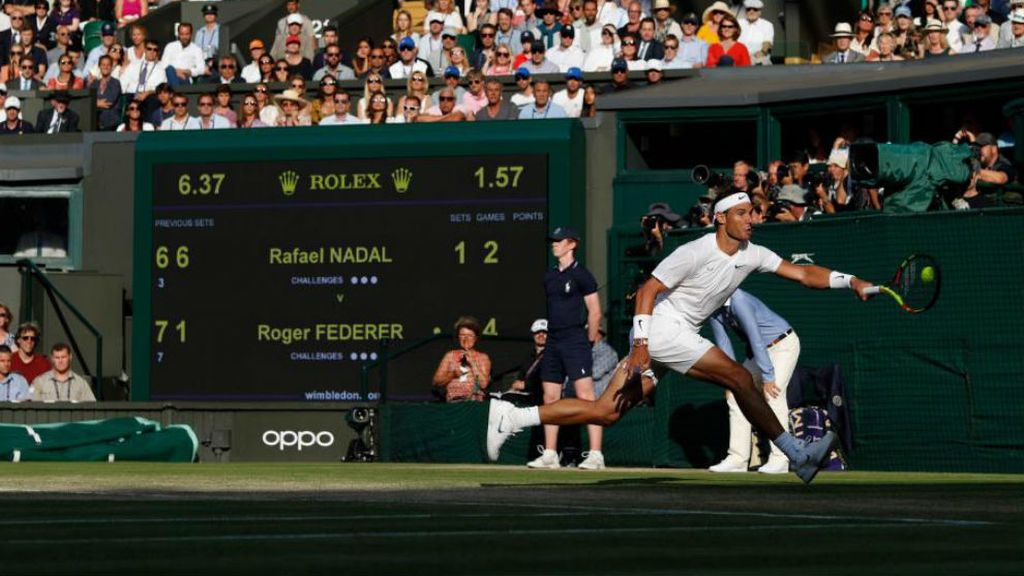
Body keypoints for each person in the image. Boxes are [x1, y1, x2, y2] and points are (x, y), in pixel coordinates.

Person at [488, 192, 874, 484]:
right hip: (661, 331)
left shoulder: (753, 253)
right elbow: (646, 292)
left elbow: (803, 274)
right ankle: (797, 455)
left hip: (673, 337)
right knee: (739, 378)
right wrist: (640, 346)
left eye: (752, 213)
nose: (750, 219)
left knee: (605, 412)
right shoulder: (694, 251)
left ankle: (513, 415)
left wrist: (850, 280)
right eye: (741, 214)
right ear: (721, 218)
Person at [526, 226, 604, 470]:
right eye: (554, 241)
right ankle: (550, 453)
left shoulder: (582, 275)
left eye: (559, 241)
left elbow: (595, 312)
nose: (554, 244)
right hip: (553, 341)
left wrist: (588, 341)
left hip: (575, 340)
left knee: (585, 396)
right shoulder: (549, 276)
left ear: (572, 244)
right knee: (550, 396)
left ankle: (595, 454)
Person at [707, 288, 798, 474]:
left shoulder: (739, 299)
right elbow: (723, 343)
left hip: (782, 345)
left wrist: (768, 376)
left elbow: (755, 338)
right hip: (758, 354)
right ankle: (737, 459)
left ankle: (781, 459)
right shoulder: (712, 305)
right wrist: (729, 379)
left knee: (773, 395)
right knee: (735, 395)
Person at [432, 316, 492, 402]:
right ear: (458, 337)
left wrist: (472, 362)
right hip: (454, 402)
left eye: (470, 335)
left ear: (476, 338)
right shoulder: (450, 355)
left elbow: (484, 384)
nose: (466, 339)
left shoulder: (483, 357)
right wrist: (452, 374)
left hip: (474, 403)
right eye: (462, 335)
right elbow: (436, 381)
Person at [952, 130, 1016, 209]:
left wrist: (975, 172)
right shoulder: (977, 163)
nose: (979, 149)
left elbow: (1001, 178)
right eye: (977, 147)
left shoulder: (1004, 163)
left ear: (993, 149)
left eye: (981, 146)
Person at [30, 342, 95, 402]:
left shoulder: (81, 383)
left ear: (70, 357)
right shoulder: (39, 382)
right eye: (57, 357)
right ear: (52, 359)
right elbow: (32, 408)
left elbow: (92, 408)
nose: (60, 361)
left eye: (63, 357)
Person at [510, 318, 548, 402]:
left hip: (544, 399)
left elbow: (551, 381)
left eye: (545, 333)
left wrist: (526, 385)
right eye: (537, 332)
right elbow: (521, 376)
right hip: (526, 396)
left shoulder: (553, 356)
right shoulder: (529, 357)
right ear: (533, 335)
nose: (541, 335)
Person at [160, 22, 205, 87]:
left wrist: (188, 71)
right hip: (169, 77)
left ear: (191, 34)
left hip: (185, 78)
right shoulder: (170, 46)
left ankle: (175, 92)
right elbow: (163, 65)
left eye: (187, 34)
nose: (184, 37)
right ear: (178, 34)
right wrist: (176, 72)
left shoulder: (197, 49)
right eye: (182, 34)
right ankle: (176, 91)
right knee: (169, 69)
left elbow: (201, 68)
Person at [737, 0, 773, 65]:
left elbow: (767, 43)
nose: (751, 11)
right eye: (748, 9)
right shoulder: (738, 23)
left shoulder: (767, 25)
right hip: (739, 56)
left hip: (757, 57)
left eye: (755, 9)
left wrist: (762, 52)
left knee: (761, 61)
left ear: (760, 12)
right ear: (745, 11)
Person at [590, 326, 618, 398]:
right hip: (579, 399)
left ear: (598, 334)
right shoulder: (585, 350)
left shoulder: (607, 351)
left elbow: (595, 373)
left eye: (588, 331)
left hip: (599, 400)